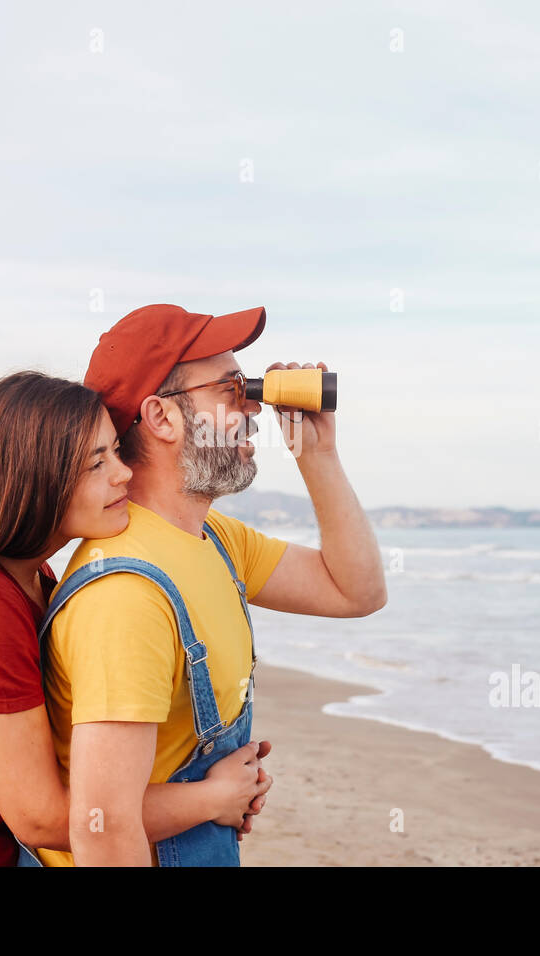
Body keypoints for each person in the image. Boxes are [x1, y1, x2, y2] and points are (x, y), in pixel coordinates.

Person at [0, 370, 272, 866]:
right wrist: (212, 800)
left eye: (115, 450)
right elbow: (41, 817)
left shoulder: (31, 578)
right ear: (31, 476)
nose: (123, 474)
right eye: (96, 463)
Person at [34, 303, 387, 867]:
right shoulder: (126, 594)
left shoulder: (212, 538)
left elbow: (355, 591)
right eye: (231, 388)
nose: (254, 404)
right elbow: (103, 827)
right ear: (162, 417)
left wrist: (318, 454)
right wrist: (211, 799)